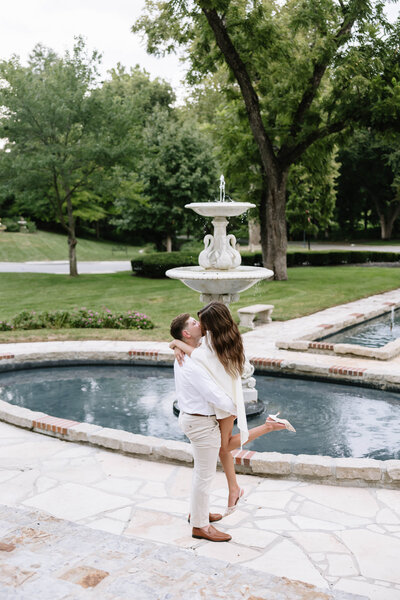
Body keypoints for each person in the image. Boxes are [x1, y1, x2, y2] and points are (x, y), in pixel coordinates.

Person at [170, 303, 294, 518]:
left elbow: (199, 357)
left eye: (202, 322)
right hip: (226, 398)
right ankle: (232, 490)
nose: (200, 325)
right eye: (196, 322)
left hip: (226, 401)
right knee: (222, 448)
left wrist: (176, 343)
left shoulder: (214, 344)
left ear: (213, 324)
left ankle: (268, 427)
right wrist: (179, 345)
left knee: (224, 446)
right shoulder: (226, 337)